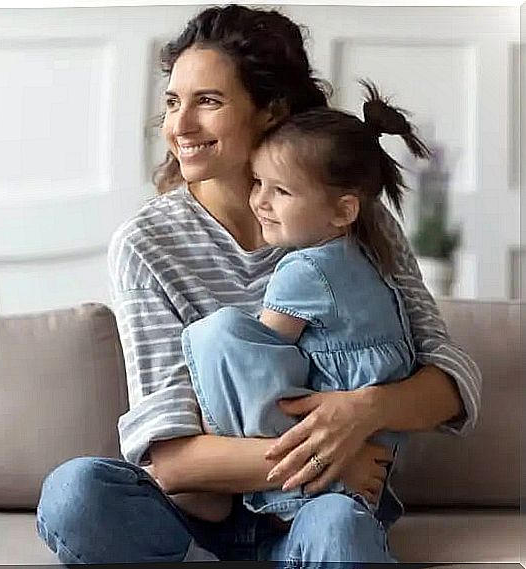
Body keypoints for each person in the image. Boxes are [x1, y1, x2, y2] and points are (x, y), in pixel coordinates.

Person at [36, 5, 481, 565]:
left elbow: (450, 381)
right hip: (197, 517)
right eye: (173, 101)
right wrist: (332, 454)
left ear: (271, 110)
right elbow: (171, 459)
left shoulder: (352, 221)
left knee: (340, 529)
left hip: (325, 507)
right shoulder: (147, 245)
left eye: (209, 101)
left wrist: (363, 411)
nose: (180, 126)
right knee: (76, 494)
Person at [178, 81, 430, 525]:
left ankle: (272, 487)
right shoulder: (365, 251)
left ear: (343, 210)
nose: (260, 201)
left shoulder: (302, 271)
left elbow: (260, 354)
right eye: (258, 183)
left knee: (218, 335)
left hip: (333, 438)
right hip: (383, 443)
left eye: (282, 192)